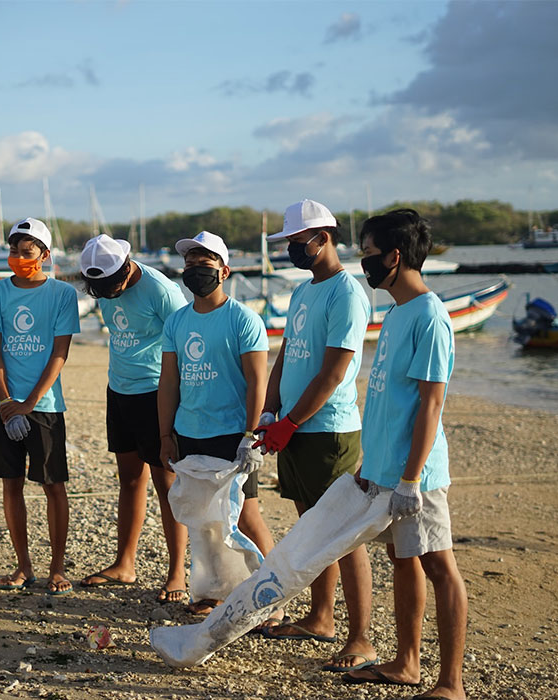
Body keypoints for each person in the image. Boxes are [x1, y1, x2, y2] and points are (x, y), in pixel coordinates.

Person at [343, 209, 466, 700]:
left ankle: (450, 683)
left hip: (418, 474)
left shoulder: (430, 316)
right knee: (402, 558)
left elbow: (432, 404)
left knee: (439, 565)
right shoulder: (395, 313)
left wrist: (412, 479)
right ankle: (406, 661)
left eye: (368, 254)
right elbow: (389, 399)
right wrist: (370, 463)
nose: (364, 264)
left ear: (394, 256)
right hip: (386, 467)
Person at [255, 199, 376, 671]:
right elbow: (286, 352)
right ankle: (320, 617)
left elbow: (333, 371)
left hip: (328, 430)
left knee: (344, 535)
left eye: (296, 242)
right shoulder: (305, 292)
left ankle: (361, 638)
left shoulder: (347, 293)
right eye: (288, 243)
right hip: (295, 426)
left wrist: (292, 421)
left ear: (323, 238)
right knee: (313, 527)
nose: (291, 250)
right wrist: (270, 410)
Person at [158, 230, 278, 616]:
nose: (195, 269)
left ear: (224, 271)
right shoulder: (176, 322)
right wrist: (165, 433)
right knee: (204, 520)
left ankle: (275, 595)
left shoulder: (243, 319)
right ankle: (213, 591)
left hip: (232, 434)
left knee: (246, 514)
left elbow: (258, 381)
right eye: (189, 263)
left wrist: (251, 435)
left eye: (204, 263)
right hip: (190, 432)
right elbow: (169, 382)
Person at [77, 234, 189, 603]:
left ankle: (177, 574)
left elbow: (185, 346)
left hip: (155, 393)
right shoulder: (106, 288)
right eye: (99, 290)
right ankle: (124, 563)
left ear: (125, 270)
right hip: (119, 389)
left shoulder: (161, 291)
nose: (107, 295)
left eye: (110, 287)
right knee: (129, 479)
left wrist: (177, 407)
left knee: (167, 484)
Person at [0, 217, 80, 595]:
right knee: (11, 485)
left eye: (27, 252)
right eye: (14, 251)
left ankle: (56, 569)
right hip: (2, 405)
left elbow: (59, 353)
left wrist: (30, 403)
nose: (18, 257)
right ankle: (23, 567)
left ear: (45, 255)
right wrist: (6, 401)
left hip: (45, 405)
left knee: (53, 485)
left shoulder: (62, 295)